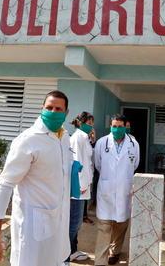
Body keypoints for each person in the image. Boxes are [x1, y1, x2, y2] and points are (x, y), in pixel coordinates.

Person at [0, 90, 72, 266]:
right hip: (32, 229)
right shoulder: (27, 140)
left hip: (58, 225)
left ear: (66, 113)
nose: (53, 112)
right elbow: (4, 185)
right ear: (42, 109)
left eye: (58, 109)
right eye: (49, 107)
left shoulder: (64, 137)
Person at [94, 114, 140, 266]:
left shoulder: (134, 144)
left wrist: (122, 178)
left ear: (125, 126)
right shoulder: (102, 143)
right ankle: (100, 261)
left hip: (124, 189)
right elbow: (98, 164)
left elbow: (135, 164)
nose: (117, 129)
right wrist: (110, 178)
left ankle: (115, 251)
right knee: (104, 227)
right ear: (110, 126)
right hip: (106, 190)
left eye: (120, 126)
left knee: (121, 224)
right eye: (114, 126)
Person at [68, 112, 95, 262]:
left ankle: (73, 249)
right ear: (81, 123)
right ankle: (66, 252)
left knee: (74, 221)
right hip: (79, 188)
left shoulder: (83, 137)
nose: (91, 126)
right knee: (75, 222)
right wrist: (81, 185)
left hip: (81, 187)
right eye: (89, 123)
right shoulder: (79, 138)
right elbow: (78, 163)